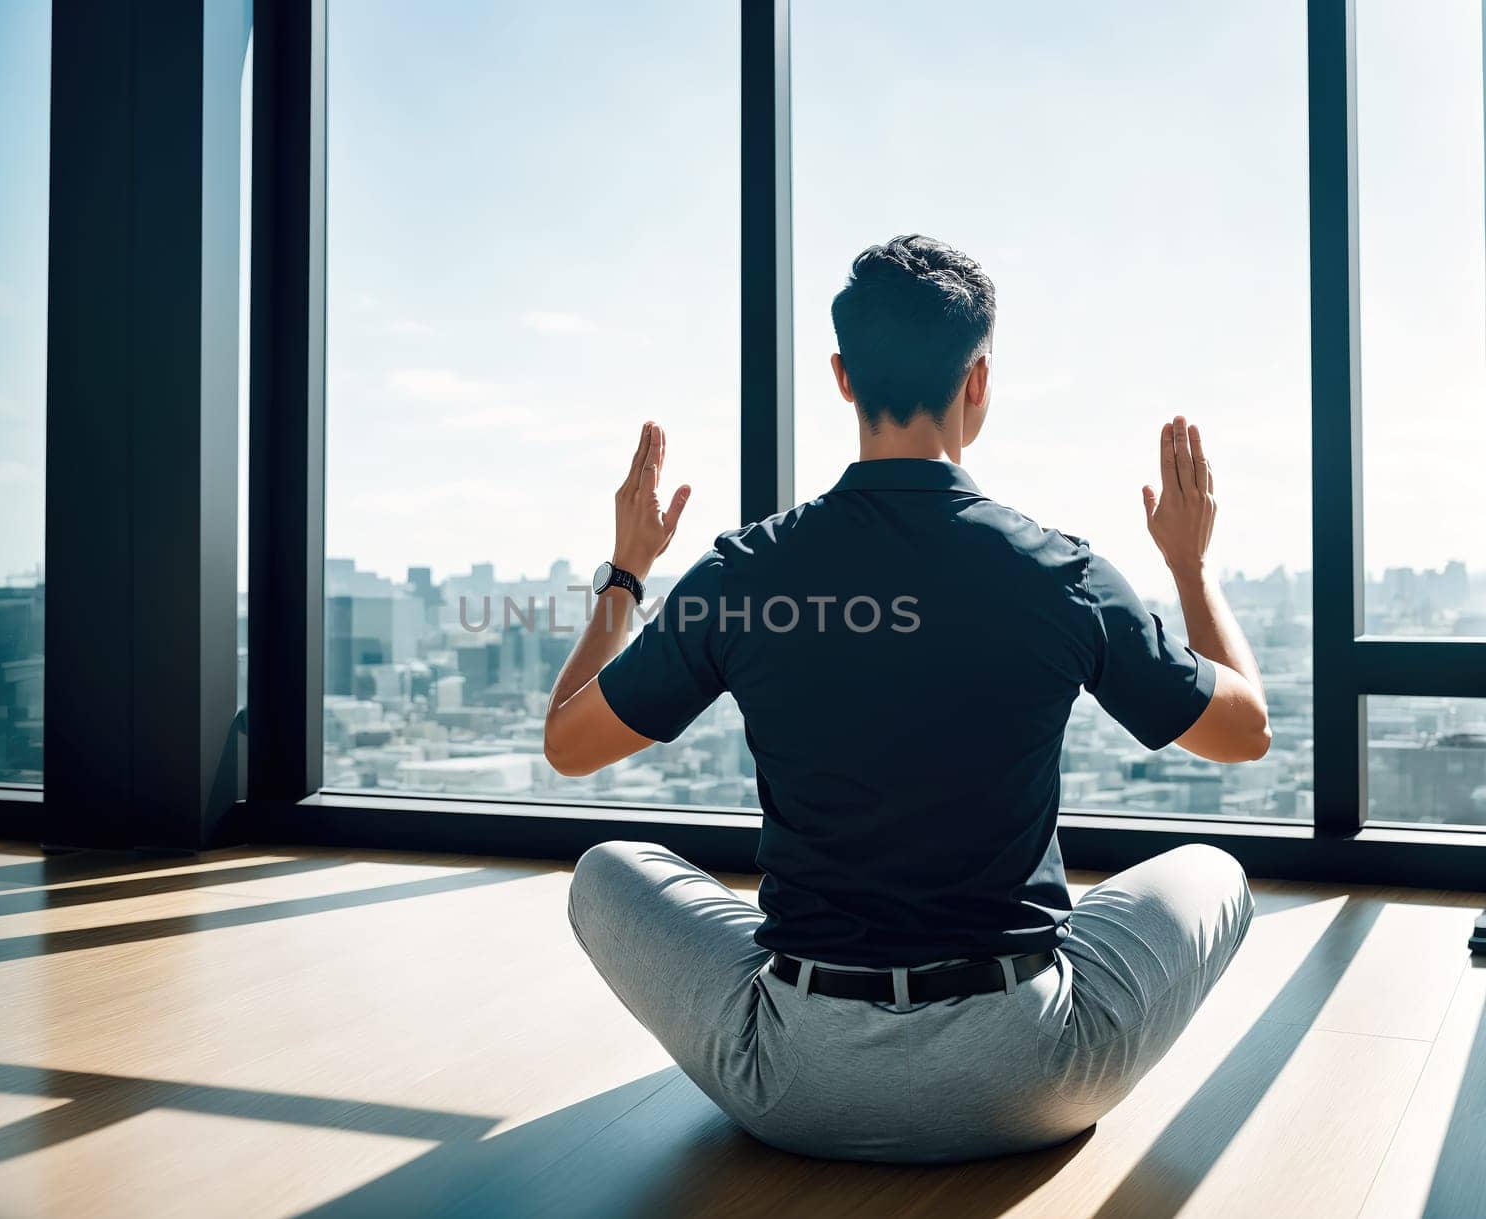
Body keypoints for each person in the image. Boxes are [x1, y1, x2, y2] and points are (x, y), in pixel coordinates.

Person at [542, 235, 1264, 1163]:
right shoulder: (1060, 573)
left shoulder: (748, 573)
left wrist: (627, 572)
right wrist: (1190, 568)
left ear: (842, 378)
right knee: (1216, 871)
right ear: (980, 381)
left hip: (793, 1079)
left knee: (607, 870)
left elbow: (568, 742)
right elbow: (1245, 731)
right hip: (1033, 1074)